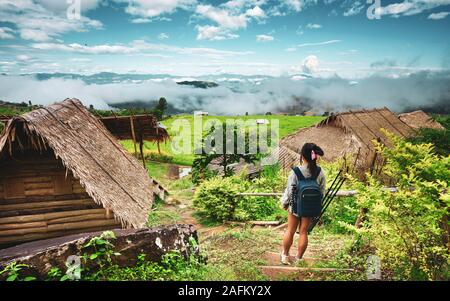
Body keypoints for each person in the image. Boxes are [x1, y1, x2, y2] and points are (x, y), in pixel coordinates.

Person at [280, 143, 326, 265]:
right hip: (310, 207)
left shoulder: (295, 172)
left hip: (295, 206)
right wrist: (316, 206)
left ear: (302, 156)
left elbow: (289, 191)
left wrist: (285, 203)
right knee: (304, 232)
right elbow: (322, 192)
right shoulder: (320, 172)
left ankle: (285, 256)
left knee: (290, 230)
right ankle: (299, 259)